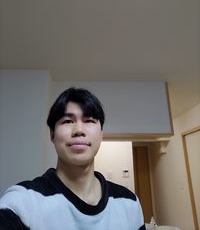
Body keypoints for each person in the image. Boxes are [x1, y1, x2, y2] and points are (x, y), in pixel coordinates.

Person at [0, 87, 146, 230]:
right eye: (68, 121)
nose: (79, 131)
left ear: (101, 133)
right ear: (52, 134)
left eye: (89, 120)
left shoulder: (129, 203)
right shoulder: (21, 203)